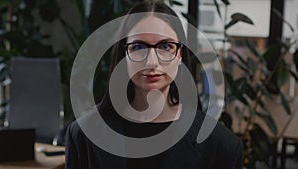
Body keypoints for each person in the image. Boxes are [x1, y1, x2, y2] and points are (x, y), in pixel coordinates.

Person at [65, 1, 243, 169]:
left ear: (180, 55)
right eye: (137, 47)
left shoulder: (221, 145)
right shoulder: (82, 136)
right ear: (123, 56)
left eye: (165, 47)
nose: (151, 62)